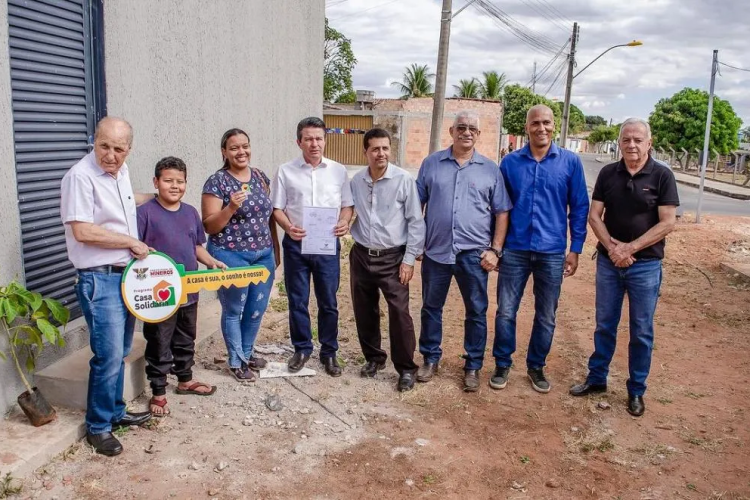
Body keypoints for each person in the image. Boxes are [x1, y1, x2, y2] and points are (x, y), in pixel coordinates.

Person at [570, 118, 679, 417]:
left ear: (649, 142)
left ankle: (636, 391)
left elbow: (667, 222)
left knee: (641, 330)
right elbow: (594, 216)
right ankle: (596, 379)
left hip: (645, 266)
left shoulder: (662, 176)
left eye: (637, 140)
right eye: (626, 140)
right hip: (608, 264)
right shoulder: (608, 173)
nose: (631, 145)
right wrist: (612, 248)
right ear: (619, 143)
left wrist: (629, 249)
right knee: (605, 324)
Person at [60, 117, 152, 456]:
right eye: (104, 146)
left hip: (124, 275)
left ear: (129, 149)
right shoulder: (80, 177)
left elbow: (124, 205)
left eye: (118, 149)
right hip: (99, 278)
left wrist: (157, 196)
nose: (110, 155)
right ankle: (98, 427)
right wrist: (130, 241)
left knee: (121, 350)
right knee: (108, 355)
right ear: (93, 140)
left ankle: (115, 412)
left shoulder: (121, 173)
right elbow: (82, 230)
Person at [491, 104, 590, 393]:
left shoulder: (570, 162)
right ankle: (502, 363)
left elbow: (580, 207)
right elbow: (498, 208)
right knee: (506, 311)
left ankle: (536, 366)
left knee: (546, 314)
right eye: (535, 123)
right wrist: (496, 248)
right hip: (515, 250)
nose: (541, 128)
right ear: (527, 127)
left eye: (546, 122)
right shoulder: (510, 163)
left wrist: (576, 248)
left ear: (554, 125)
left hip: (552, 251)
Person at [416, 110, 512, 392]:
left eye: (472, 128)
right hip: (436, 252)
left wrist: (495, 250)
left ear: (479, 135)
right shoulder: (431, 164)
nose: (466, 132)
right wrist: (417, 243)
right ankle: (430, 358)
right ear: (451, 131)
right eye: (461, 127)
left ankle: (472, 366)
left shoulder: (490, 169)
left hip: (474, 254)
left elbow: (502, 212)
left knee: (476, 311)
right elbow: (415, 206)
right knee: (431, 308)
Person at [138, 157, 226, 416]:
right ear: (156, 182)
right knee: (159, 341)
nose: (174, 186)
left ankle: (185, 380)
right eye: (168, 181)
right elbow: (136, 251)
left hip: (189, 290)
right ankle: (158, 391)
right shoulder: (144, 214)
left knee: (186, 337)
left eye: (180, 181)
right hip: (159, 295)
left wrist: (211, 261)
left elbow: (196, 245)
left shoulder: (190, 213)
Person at [271, 117, 354, 376]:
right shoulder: (285, 171)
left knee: (328, 301)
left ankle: (329, 352)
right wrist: (288, 227)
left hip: (327, 245)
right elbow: (277, 208)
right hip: (296, 245)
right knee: (297, 300)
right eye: (308, 139)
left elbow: (347, 205)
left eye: (318, 138)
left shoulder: (339, 171)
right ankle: (302, 348)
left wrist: (344, 221)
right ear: (299, 142)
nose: (314, 143)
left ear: (325, 140)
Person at [349, 128, 425, 392]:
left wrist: (409, 260)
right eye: (375, 149)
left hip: (393, 258)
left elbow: (416, 221)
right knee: (364, 310)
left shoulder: (404, 180)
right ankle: (373, 359)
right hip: (361, 254)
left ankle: (405, 368)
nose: (381, 153)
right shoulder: (356, 181)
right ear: (365, 152)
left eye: (385, 148)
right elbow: (348, 212)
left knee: (400, 313)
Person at [201, 128, 280, 382]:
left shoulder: (259, 176)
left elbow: (268, 217)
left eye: (245, 146)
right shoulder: (217, 182)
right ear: (224, 152)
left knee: (256, 309)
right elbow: (210, 226)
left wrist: (275, 251)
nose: (241, 151)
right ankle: (236, 361)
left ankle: (246, 352)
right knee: (234, 308)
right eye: (234, 148)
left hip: (263, 254)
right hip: (230, 254)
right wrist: (231, 206)